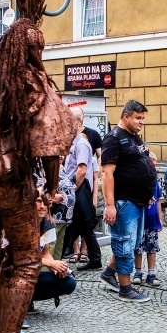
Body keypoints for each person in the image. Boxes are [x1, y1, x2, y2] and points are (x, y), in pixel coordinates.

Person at [99, 100, 156, 303]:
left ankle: (108, 273)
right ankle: (125, 289)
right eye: (138, 118)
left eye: (143, 118)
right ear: (126, 117)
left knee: (131, 244)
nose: (142, 122)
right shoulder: (113, 139)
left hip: (138, 200)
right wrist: (109, 205)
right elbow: (107, 173)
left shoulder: (134, 137)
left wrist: (147, 192)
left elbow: (142, 162)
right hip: (124, 202)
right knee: (124, 243)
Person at [62, 107, 103, 271]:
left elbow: (82, 170)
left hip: (78, 188)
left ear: (77, 124)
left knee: (79, 225)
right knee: (80, 226)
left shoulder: (82, 144)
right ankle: (95, 259)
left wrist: (72, 189)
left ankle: (91, 259)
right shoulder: (75, 143)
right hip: (76, 188)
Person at [133, 152, 162, 287]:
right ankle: (138, 271)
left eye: (154, 163)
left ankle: (151, 272)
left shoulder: (155, 181)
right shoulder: (138, 179)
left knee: (152, 247)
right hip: (139, 218)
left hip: (152, 219)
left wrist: (160, 219)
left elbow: (159, 201)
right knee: (138, 247)